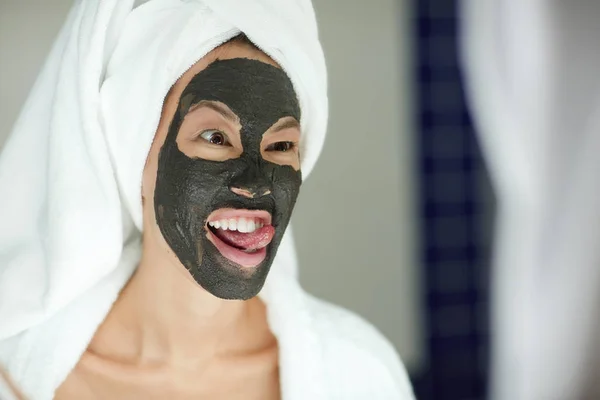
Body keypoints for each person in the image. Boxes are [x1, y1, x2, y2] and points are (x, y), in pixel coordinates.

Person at [0, 0, 414, 399]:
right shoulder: (14, 377)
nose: (258, 185)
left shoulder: (359, 374)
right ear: (135, 153)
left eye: (282, 145)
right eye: (215, 138)